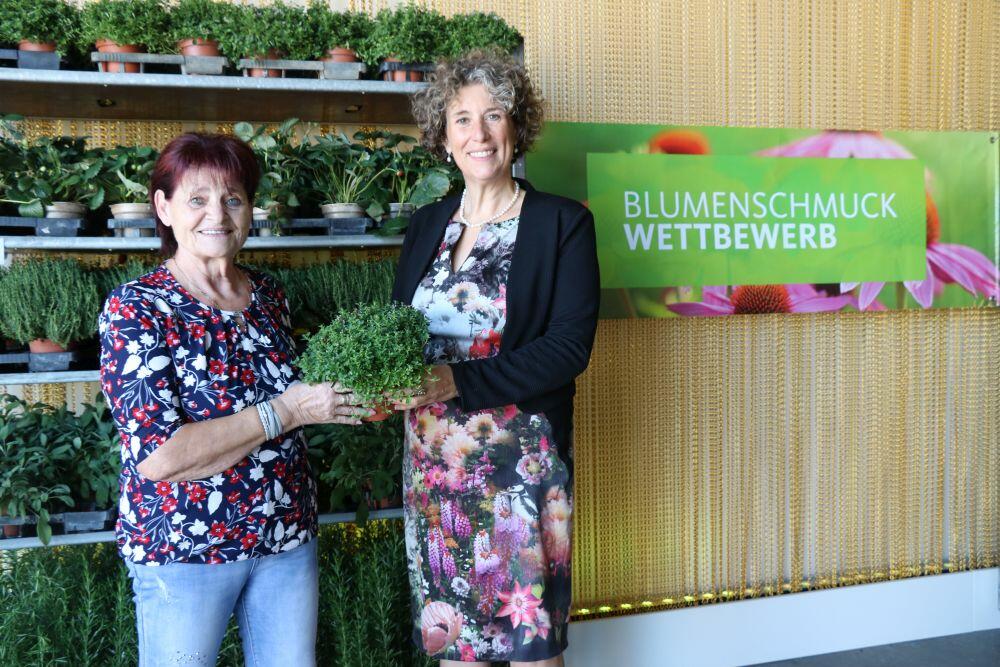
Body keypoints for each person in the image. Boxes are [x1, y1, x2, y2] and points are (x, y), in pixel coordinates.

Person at [98, 132, 368, 666]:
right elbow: (160, 457)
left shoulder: (268, 296)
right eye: (197, 199)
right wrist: (286, 412)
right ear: (164, 208)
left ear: (250, 210)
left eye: (233, 199)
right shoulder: (138, 309)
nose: (216, 215)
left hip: (284, 536)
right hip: (184, 547)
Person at [392, 51, 600, 666]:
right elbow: (401, 333)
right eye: (461, 119)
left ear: (517, 127)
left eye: (493, 116)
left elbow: (567, 349)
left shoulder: (561, 223)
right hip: (434, 471)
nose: (478, 134)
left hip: (520, 470)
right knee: (456, 643)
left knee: (528, 645)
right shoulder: (426, 224)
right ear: (443, 136)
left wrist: (453, 380)